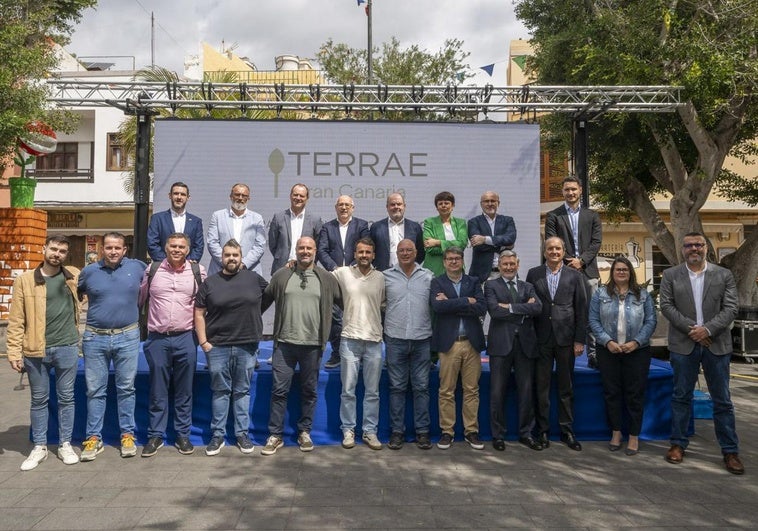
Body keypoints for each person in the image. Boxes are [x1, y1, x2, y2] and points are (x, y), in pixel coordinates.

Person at [659, 232, 743, 474]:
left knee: (722, 400)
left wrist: (707, 329)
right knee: (681, 396)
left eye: (698, 245)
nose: (693, 249)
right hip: (684, 345)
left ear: (706, 247)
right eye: (689, 245)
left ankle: (730, 450)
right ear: (682, 249)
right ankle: (677, 444)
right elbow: (666, 306)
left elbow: (731, 308)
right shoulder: (671, 275)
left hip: (716, 344)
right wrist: (693, 330)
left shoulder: (723, 275)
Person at [259, 236, 342, 455]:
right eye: (301, 248)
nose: (305, 251)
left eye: (309, 248)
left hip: (313, 345)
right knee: (279, 391)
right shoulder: (282, 275)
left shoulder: (326, 278)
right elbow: (262, 303)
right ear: (295, 250)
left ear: (315, 251)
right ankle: (275, 435)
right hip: (284, 344)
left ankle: (304, 431)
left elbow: (345, 305)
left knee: (309, 391)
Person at [7, 235, 81, 471]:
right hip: (35, 349)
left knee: (66, 397)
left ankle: (65, 443)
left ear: (66, 255)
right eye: (53, 249)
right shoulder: (26, 281)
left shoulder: (73, 276)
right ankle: (39, 446)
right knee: (39, 399)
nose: (56, 254)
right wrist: (13, 352)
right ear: (44, 249)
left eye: (61, 251)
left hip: (67, 346)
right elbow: (16, 319)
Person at [195, 239, 268, 456]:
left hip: (247, 345)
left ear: (241, 256)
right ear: (221, 257)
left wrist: (254, 315)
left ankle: (241, 434)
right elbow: (199, 313)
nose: (231, 259)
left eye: (235, 255)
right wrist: (204, 342)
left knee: (242, 391)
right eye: (227, 255)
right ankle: (217, 435)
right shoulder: (210, 283)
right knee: (220, 391)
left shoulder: (254, 279)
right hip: (217, 346)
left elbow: (271, 295)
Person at [77, 232, 146, 461]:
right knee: (95, 390)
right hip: (95, 338)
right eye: (108, 247)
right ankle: (94, 438)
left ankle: (127, 434)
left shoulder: (138, 268)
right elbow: (77, 296)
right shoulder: (88, 273)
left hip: (127, 335)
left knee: (126, 388)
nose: (113, 251)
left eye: (117, 247)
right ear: (101, 249)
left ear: (124, 249)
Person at [140, 233, 207, 457]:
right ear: (166, 248)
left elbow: (205, 306)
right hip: (158, 338)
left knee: (184, 389)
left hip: (186, 338)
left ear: (188, 250)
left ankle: (182, 434)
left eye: (181, 246)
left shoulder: (198, 272)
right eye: (173, 246)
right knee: (158, 389)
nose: (177, 249)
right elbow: (140, 300)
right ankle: (156, 434)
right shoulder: (153, 270)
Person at [589, 256, 657, 456]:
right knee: (612, 393)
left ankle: (634, 436)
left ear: (630, 273)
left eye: (624, 270)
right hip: (608, 351)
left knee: (635, 394)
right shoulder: (600, 294)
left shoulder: (642, 295)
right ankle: (616, 433)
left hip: (637, 352)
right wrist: (607, 341)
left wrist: (636, 342)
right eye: (617, 269)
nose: (621, 272)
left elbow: (651, 321)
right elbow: (593, 320)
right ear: (612, 273)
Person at [526, 236, 587, 451]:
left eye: (558, 248)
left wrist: (580, 340)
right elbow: (529, 306)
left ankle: (566, 431)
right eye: (550, 248)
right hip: (541, 340)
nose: (554, 252)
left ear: (563, 251)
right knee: (541, 388)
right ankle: (542, 431)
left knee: (565, 388)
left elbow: (581, 309)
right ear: (544, 252)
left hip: (566, 339)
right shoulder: (533, 274)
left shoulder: (574, 275)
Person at [484, 250, 543, 452]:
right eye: (505, 264)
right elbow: (494, 311)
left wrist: (509, 308)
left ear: (517, 264)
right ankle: (497, 435)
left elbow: (538, 309)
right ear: (499, 266)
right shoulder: (491, 285)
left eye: (512, 264)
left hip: (525, 345)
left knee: (526, 392)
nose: (508, 267)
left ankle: (526, 433)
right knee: (497, 393)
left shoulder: (528, 286)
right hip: (501, 345)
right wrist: (522, 309)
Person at [430, 246, 486, 450]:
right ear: (444, 262)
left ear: (462, 261)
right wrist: (466, 301)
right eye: (450, 259)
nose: (453, 262)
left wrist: (452, 302)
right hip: (449, 343)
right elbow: (438, 307)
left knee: (472, 390)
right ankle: (447, 431)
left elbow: (481, 307)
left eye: (457, 258)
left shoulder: (473, 281)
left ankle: (471, 431)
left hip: (471, 342)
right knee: (446, 391)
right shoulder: (437, 282)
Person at [333, 237, 385, 450]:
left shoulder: (382, 277)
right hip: (349, 339)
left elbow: (384, 305)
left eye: (368, 252)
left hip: (374, 341)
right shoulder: (342, 273)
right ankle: (348, 430)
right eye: (360, 252)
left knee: (373, 392)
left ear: (373, 255)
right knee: (348, 390)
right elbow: (319, 277)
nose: (364, 255)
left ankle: (370, 432)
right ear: (354, 254)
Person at [544, 175, 602, 366]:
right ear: (562, 192)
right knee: (565, 311)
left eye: (573, 189)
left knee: (593, 313)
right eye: (567, 189)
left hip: (589, 272)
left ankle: (593, 354)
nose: (570, 193)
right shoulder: (554, 216)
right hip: (564, 272)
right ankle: (563, 351)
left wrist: (582, 261)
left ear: (580, 191)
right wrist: (571, 261)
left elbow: (596, 242)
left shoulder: (592, 216)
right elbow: (552, 242)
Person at [384, 239, 435, 450]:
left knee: (421, 388)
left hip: (422, 339)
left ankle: (422, 432)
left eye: (409, 250)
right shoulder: (385, 277)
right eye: (401, 250)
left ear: (416, 252)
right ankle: (397, 432)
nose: (405, 253)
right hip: (395, 339)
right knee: (397, 388)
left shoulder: (429, 277)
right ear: (396, 253)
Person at [317, 195, 369, 368]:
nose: (344, 208)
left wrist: (351, 268)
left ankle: (358, 354)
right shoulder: (327, 227)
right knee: (334, 317)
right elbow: (322, 251)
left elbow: (365, 247)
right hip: (334, 277)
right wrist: (335, 269)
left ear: (353, 208)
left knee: (357, 315)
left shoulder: (361, 226)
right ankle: (337, 353)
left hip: (357, 277)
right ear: (336, 207)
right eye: (341, 205)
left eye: (347, 205)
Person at [207, 183, 266, 275]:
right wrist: (226, 262)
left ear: (248, 198)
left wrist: (243, 264)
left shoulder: (257, 218)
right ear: (231, 196)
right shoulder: (217, 216)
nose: (240, 198)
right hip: (220, 270)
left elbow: (260, 245)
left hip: (248, 270)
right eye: (237, 194)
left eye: (244, 195)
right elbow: (212, 242)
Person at [268, 183, 323, 275]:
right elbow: (273, 244)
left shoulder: (315, 219)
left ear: (307, 198)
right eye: (295, 195)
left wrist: (307, 262)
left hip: (306, 269)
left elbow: (318, 246)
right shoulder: (278, 217)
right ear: (290, 196)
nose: (298, 198)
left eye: (302, 196)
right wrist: (283, 258)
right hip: (281, 268)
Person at [147, 181, 204, 262]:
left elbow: (198, 247)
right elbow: (152, 244)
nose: (179, 197)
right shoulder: (157, 219)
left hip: (188, 269)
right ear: (170, 195)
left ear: (188, 197)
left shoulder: (196, 221)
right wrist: (167, 262)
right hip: (163, 268)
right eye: (176, 193)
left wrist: (186, 264)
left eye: (183, 194)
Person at [468, 191, 517, 283]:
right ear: (481, 204)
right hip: (483, 275)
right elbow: (478, 245)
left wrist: (484, 239)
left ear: (498, 203)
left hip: (506, 273)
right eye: (486, 201)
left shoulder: (507, 220)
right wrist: (503, 245)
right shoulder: (473, 222)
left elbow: (510, 239)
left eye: (493, 201)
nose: (490, 204)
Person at [370, 193, 425, 271]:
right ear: (387, 207)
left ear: (404, 206)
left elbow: (421, 253)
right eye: (392, 204)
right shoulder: (376, 227)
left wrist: (410, 267)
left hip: (407, 273)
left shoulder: (415, 227)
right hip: (382, 273)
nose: (396, 207)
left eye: (399, 204)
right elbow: (371, 251)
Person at [422, 191, 468, 277]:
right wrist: (454, 251)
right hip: (434, 271)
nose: (443, 205)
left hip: (457, 270)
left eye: (446, 203)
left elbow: (462, 244)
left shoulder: (461, 223)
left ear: (453, 205)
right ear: (437, 207)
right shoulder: (429, 222)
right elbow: (430, 249)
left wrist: (437, 242)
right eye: (440, 203)